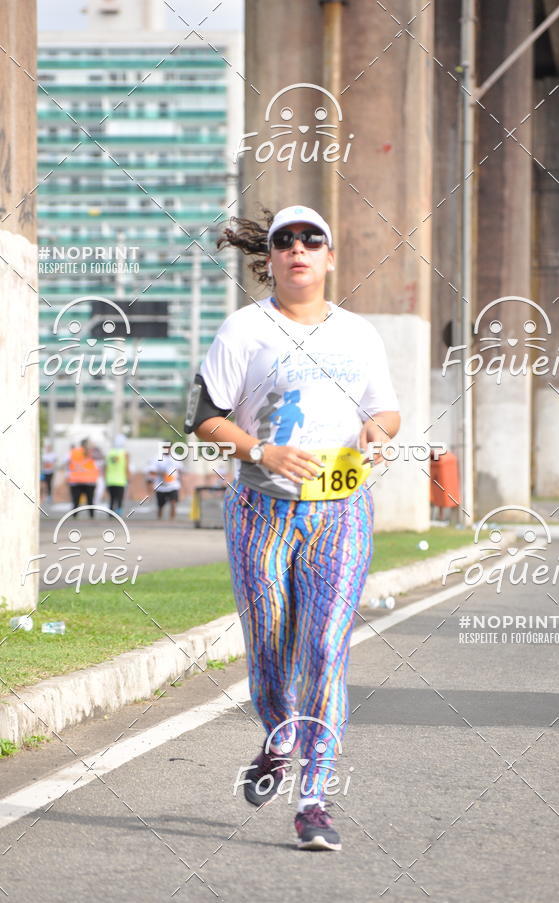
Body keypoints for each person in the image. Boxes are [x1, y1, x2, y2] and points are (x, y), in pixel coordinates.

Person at [190, 205, 401, 851]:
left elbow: (386, 410)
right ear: (272, 259)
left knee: (326, 650)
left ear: (330, 257)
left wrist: (376, 432)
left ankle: (313, 797)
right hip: (260, 509)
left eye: (313, 240)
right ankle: (280, 734)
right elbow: (204, 417)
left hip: (340, 510)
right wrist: (262, 450)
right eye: (286, 241)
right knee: (271, 651)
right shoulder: (243, 330)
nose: (299, 249)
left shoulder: (359, 334)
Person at [148, 442, 183, 520]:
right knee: (160, 505)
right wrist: (162, 474)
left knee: (173, 503)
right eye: (165, 447)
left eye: (169, 447)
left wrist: (182, 484)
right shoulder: (157, 458)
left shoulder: (176, 457)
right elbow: (151, 471)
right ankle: (159, 519)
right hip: (161, 486)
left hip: (173, 485)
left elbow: (180, 471)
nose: (167, 449)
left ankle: (172, 520)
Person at [66, 438, 99, 517]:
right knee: (90, 501)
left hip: (75, 480)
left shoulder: (73, 452)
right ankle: (91, 516)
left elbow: (67, 462)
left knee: (76, 501)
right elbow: (100, 458)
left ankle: (74, 516)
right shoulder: (92, 451)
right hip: (89, 481)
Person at [105, 433, 129, 516]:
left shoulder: (110, 453)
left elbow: (106, 467)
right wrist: (128, 478)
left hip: (110, 480)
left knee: (111, 499)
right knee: (119, 499)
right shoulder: (125, 453)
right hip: (120, 480)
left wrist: (105, 479)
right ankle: (118, 515)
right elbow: (126, 467)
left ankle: (110, 514)